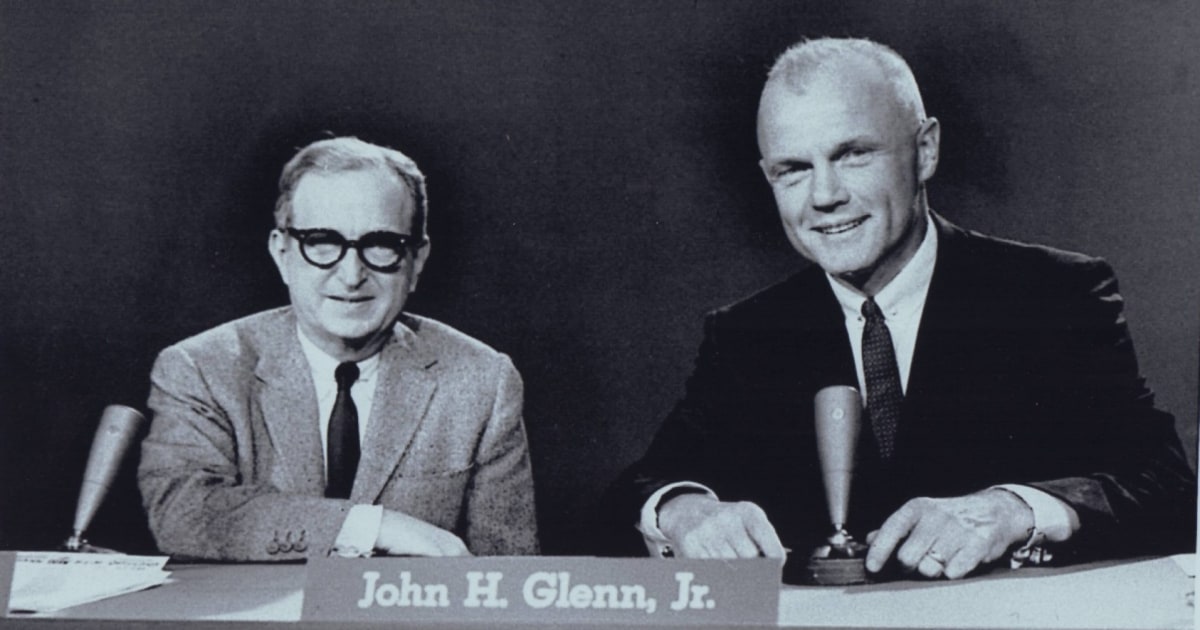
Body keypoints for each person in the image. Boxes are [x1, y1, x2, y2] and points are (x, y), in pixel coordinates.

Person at [604, 38, 1195, 580]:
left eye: (853, 155)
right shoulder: (748, 334)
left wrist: (1012, 510)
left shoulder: (1051, 295)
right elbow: (641, 486)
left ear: (925, 150)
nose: (824, 196)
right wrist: (682, 511)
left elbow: (1166, 484)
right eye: (794, 170)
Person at [139, 137, 538, 561]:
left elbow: (507, 576)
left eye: (381, 244)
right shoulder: (200, 368)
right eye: (322, 242)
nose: (351, 275)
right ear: (282, 253)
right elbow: (185, 513)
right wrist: (370, 526)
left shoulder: (483, 381)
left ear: (417, 260)